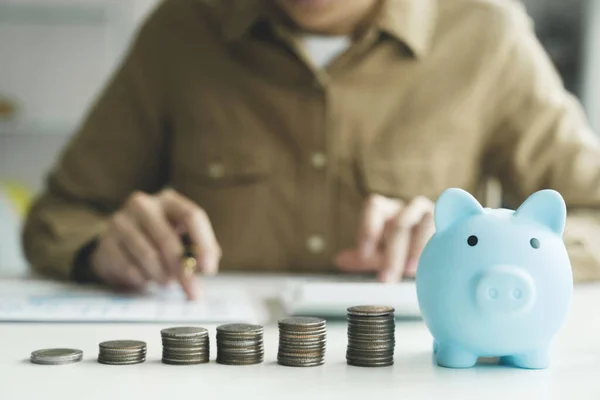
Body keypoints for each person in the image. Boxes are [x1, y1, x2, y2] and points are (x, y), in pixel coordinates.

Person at [22, 0, 600, 300]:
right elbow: (59, 214)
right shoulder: (181, 29)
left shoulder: (486, 32)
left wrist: (495, 250)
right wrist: (100, 248)